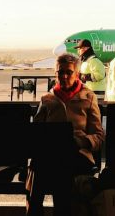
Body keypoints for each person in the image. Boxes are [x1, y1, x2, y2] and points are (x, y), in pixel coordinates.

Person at [27, 52, 105, 215]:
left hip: (79, 154)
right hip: (51, 155)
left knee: (58, 169)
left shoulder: (88, 98)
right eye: (59, 72)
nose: (63, 76)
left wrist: (81, 141)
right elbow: (36, 132)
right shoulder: (47, 99)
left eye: (68, 72)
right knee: (37, 166)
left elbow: (98, 136)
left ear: (76, 74)